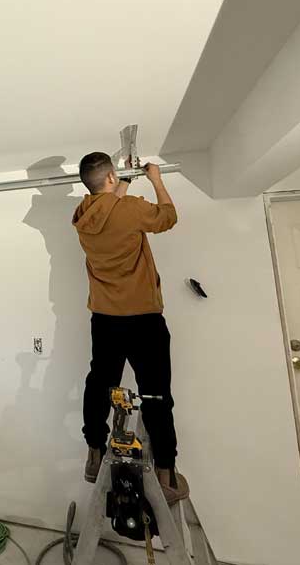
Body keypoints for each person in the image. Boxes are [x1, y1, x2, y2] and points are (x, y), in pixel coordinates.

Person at [71, 152, 189, 503]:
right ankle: (166, 473)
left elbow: (108, 204)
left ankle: (94, 451)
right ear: (109, 177)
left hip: (105, 318)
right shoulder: (133, 208)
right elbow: (168, 217)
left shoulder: (82, 214)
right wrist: (155, 178)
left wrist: (123, 181)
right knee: (155, 393)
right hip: (142, 318)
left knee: (100, 382)